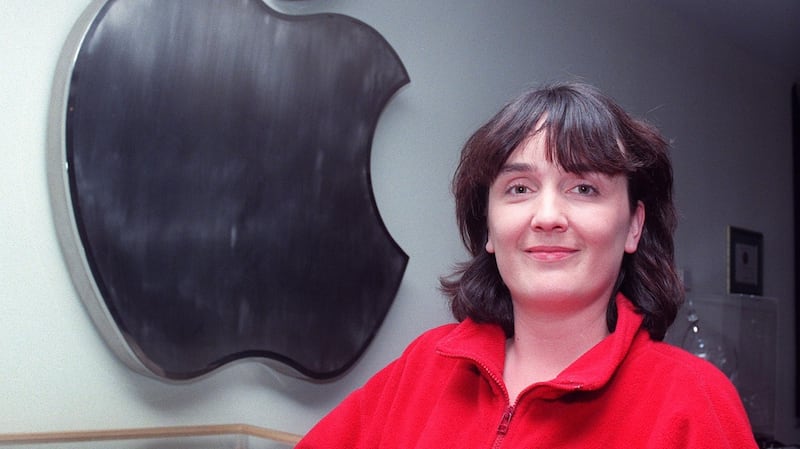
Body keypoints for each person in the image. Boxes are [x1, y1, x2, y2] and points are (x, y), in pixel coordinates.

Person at [295, 81, 758, 448]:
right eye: (519, 188)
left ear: (634, 226)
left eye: (584, 188)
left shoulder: (693, 401)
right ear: (489, 227)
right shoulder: (422, 366)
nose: (547, 216)